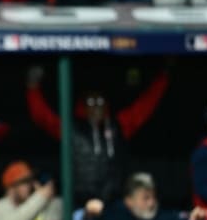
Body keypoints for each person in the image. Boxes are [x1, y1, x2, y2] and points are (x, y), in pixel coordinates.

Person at [26, 66, 169, 208]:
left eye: (100, 102)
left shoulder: (118, 126)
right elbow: (42, 117)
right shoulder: (71, 129)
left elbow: (144, 106)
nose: (96, 107)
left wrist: (163, 77)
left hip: (113, 201)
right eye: (90, 102)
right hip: (79, 202)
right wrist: (33, 87)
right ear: (83, 105)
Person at [81, 172, 204, 220]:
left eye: (153, 197)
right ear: (129, 200)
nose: (151, 203)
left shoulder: (163, 217)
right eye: (145, 198)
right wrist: (87, 216)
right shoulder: (112, 216)